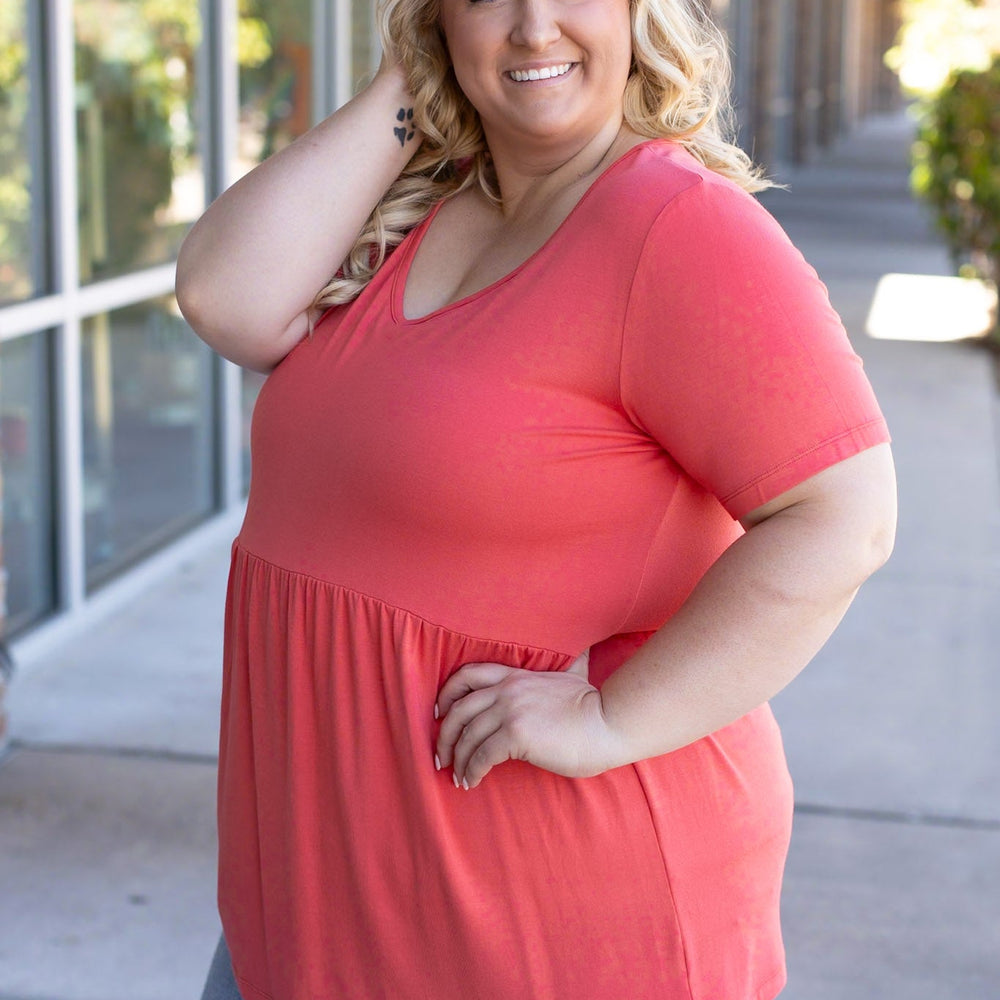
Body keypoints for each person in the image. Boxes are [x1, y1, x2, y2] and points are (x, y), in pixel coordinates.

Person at [178, 0, 897, 995]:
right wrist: (414, 76)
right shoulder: (420, 206)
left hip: (545, 914)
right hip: (318, 891)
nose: (531, 26)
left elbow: (844, 516)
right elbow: (226, 297)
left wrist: (610, 719)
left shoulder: (679, 228)